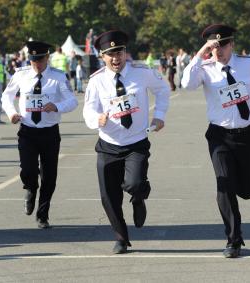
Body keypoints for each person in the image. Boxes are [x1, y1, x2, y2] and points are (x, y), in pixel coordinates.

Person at [181, 24, 250, 258]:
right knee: (224, 184)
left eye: (223, 45)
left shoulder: (249, 65)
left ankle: (241, 188)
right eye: (214, 47)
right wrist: (199, 54)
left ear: (231, 44)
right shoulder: (204, 68)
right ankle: (233, 240)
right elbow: (187, 84)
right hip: (219, 136)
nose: (219, 51)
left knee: (246, 190)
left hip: (246, 135)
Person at [83, 30, 170, 254]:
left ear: (125, 52)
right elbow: (88, 110)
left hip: (136, 141)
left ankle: (139, 197)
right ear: (102, 56)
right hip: (108, 144)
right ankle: (121, 238)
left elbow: (163, 90)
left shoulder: (142, 73)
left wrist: (159, 115)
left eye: (119, 52)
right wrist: (97, 119)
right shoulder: (96, 81)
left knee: (134, 183)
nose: (116, 58)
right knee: (109, 197)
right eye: (110, 54)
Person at [1, 41, 78, 229]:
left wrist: (57, 106)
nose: (37, 64)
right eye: (33, 60)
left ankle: (43, 215)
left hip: (49, 132)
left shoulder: (58, 77)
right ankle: (30, 189)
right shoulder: (21, 75)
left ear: (47, 57)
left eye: (40, 60)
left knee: (49, 176)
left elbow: (72, 101)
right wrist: (11, 113)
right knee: (28, 170)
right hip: (27, 130)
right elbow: (6, 96)